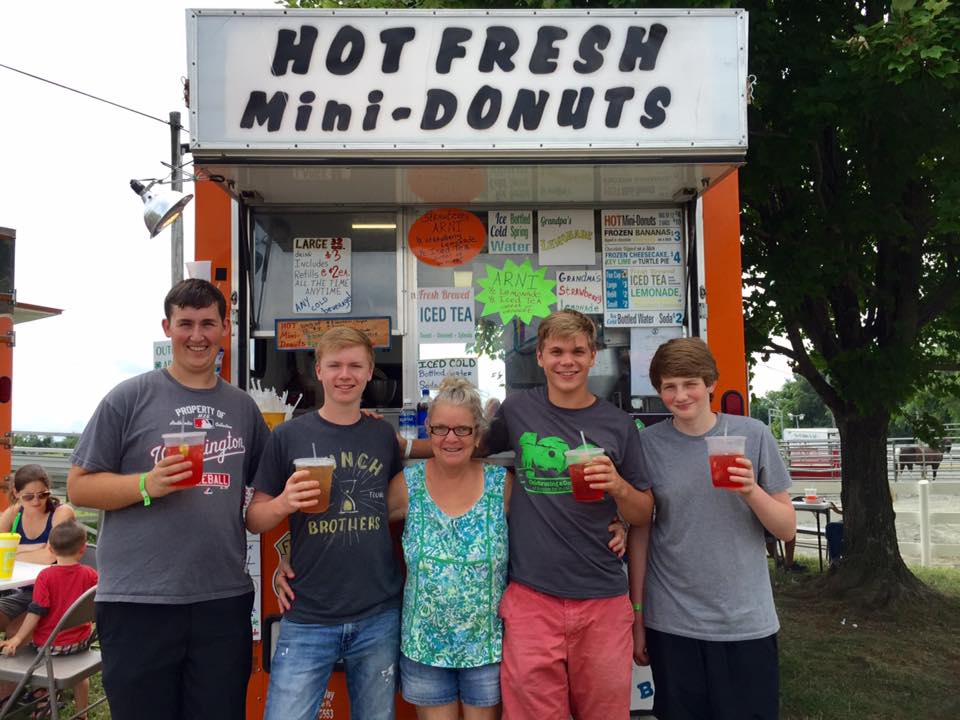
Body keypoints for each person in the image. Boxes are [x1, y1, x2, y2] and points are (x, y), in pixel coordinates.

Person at [67, 279, 269, 720]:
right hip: (138, 601)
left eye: (207, 324)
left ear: (224, 329)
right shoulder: (129, 398)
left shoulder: (242, 409)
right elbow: (79, 486)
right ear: (167, 327)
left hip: (221, 599)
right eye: (186, 324)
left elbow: (265, 494)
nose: (197, 335)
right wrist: (146, 485)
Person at [479, 309, 653, 720]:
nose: (567, 361)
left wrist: (618, 489)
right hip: (531, 597)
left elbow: (644, 512)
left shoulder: (618, 424)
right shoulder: (517, 409)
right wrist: (403, 443)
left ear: (593, 356)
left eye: (578, 351)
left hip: (603, 598)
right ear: (539, 357)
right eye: (556, 351)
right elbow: (468, 450)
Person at [628, 337, 796, 720]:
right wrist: (637, 617)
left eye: (690, 383)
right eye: (669, 386)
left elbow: (786, 529)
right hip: (672, 622)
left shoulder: (753, 435)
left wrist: (751, 490)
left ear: (711, 384)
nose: (681, 395)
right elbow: (642, 533)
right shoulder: (647, 445)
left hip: (745, 621)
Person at [247, 327, 403, 720]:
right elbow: (254, 519)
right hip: (308, 615)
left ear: (370, 372)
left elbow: (396, 504)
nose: (344, 374)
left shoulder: (382, 436)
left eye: (355, 365)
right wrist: (284, 502)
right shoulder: (287, 436)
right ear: (319, 370)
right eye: (335, 365)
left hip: (377, 615)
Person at [387, 377, 510, 720]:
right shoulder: (407, 486)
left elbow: (547, 526)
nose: (450, 439)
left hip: (486, 649)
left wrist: (616, 521)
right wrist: (295, 556)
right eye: (440, 429)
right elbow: (359, 532)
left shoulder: (502, 486)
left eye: (462, 430)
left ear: (478, 433)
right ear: (428, 429)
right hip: (425, 647)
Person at [0, 520, 98, 713]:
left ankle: (30, 695)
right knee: (81, 679)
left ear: (51, 550)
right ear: (83, 549)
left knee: (20, 644)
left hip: (49, 649)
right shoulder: (91, 575)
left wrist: (18, 638)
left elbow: (35, 612)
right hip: (81, 644)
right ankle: (82, 714)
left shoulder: (45, 577)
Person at [0, 465, 76, 634]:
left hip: (55, 594)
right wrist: (33, 547)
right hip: (26, 592)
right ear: (16, 493)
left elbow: (49, 557)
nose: (36, 501)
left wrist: (11, 550)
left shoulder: (61, 513)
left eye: (43, 495)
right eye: (28, 497)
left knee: (15, 632)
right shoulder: (14, 513)